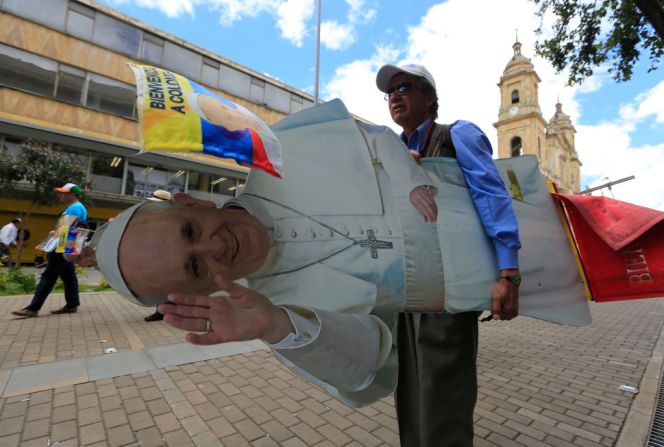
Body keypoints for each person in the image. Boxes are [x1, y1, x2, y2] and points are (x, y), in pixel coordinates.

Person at [75, 99, 589, 412]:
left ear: (190, 201)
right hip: (535, 280)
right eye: (195, 267)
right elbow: (370, 369)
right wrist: (278, 325)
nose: (214, 247)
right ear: (194, 295)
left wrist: (410, 178)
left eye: (191, 229)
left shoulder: (286, 148)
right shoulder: (278, 319)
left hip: (524, 202)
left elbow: (375, 138)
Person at [375, 63, 521, 446]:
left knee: (445, 407)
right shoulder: (390, 151)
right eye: (389, 92)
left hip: (451, 296)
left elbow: (492, 197)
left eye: (404, 87)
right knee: (411, 402)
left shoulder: (458, 136)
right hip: (405, 297)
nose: (394, 96)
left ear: (430, 97)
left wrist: (508, 274)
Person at [12, 183, 87, 318]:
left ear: (73, 195)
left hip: (62, 245)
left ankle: (33, 308)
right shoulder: (77, 207)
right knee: (69, 276)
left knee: (48, 276)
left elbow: (61, 229)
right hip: (69, 244)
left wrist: (45, 244)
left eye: (63, 192)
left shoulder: (74, 208)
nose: (60, 194)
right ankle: (72, 305)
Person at [143, 189, 172, 322]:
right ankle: (164, 309)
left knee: (163, 283)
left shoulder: (168, 217)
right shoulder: (157, 215)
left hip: (166, 255)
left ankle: (161, 311)